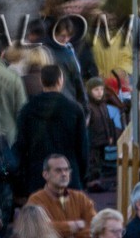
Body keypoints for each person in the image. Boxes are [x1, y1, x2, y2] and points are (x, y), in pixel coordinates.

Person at [15, 64, 89, 193]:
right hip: (69, 174)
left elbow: (21, 146)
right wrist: (81, 175)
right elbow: (82, 147)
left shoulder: (28, 109)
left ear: (41, 81)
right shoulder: (74, 109)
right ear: (60, 80)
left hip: (38, 175)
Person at [25, 155, 95, 238]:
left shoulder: (81, 198)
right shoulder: (36, 200)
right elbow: (40, 232)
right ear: (45, 174)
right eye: (58, 170)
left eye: (66, 169)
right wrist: (71, 227)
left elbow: (95, 231)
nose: (64, 174)